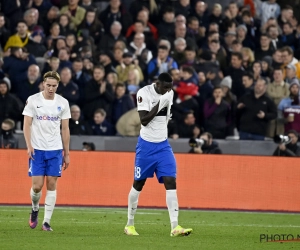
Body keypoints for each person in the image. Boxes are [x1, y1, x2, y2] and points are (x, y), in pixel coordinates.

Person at [124, 73, 192, 237]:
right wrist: (160, 104)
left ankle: (175, 226)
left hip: (163, 146)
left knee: (171, 181)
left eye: (170, 87)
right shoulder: (143, 93)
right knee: (138, 184)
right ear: (157, 83)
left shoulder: (169, 93)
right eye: (165, 87)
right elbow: (144, 121)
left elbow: (167, 116)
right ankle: (129, 224)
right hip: (146, 146)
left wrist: (165, 105)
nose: (168, 91)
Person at [22, 71, 71, 231]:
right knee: (37, 187)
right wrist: (29, 145)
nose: (51, 88)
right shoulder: (33, 100)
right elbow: (26, 124)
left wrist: (67, 153)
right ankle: (35, 208)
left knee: (52, 183)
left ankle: (46, 222)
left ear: (58, 85)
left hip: (55, 150)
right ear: (43, 84)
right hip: (37, 150)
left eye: (54, 86)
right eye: (48, 85)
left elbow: (65, 129)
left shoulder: (63, 103)